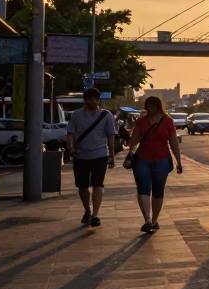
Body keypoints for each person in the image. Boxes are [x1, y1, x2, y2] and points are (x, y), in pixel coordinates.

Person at [127, 95, 183, 233]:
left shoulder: (168, 121)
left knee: (158, 191)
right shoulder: (141, 121)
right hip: (142, 160)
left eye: (153, 106)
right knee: (143, 189)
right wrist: (129, 137)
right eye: (148, 106)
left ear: (158, 107)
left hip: (162, 160)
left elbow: (173, 142)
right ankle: (147, 219)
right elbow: (133, 142)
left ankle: (154, 220)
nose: (150, 109)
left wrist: (178, 161)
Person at [65, 87, 118, 227]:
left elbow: (110, 136)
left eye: (96, 99)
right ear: (85, 100)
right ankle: (87, 210)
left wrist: (112, 155)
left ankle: (95, 215)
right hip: (81, 155)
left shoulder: (106, 115)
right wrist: (70, 147)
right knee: (82, 187)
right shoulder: (76, 115)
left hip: (100, 155)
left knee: (97, 184)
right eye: (90, 99)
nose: (93, 102)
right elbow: (70, 133)